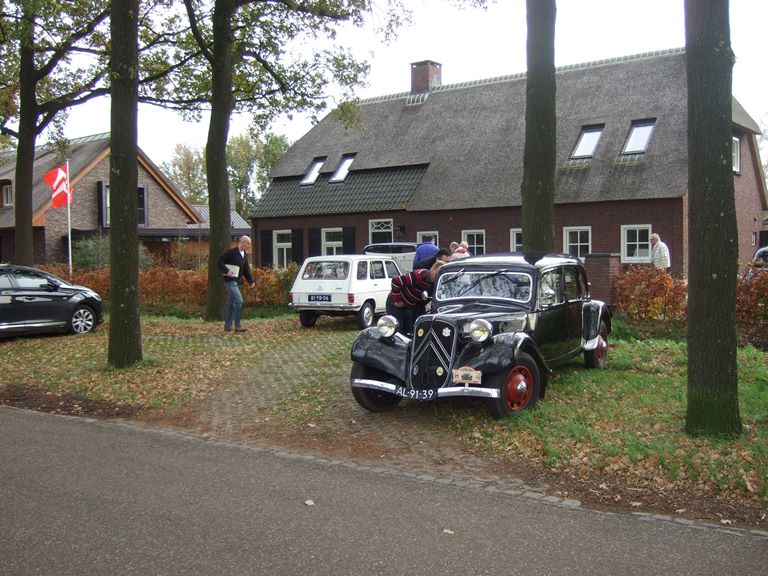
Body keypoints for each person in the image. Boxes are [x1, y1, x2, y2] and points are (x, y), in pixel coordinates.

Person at [386, 260, 445, 335]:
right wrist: (397, 300)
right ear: (433, 270)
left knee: (409, 331)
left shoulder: (434, 284)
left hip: (409, 305)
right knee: (396, 331)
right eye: (436, 275)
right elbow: (396, 281)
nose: (437, 278)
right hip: (395, 303)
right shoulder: (420, 275)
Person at [217, 235, 255, 333]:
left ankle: (227, 326)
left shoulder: (244, 254)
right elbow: (219, 261)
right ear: (242, 242)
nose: (249, 246)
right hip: (230, 281)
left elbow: (246, 269)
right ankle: (238, 326)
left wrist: (251, 281)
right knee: (239, 301)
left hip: (238, 281)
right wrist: (226, 271)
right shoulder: (231, 252)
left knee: (232, 304)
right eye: (248, 243)